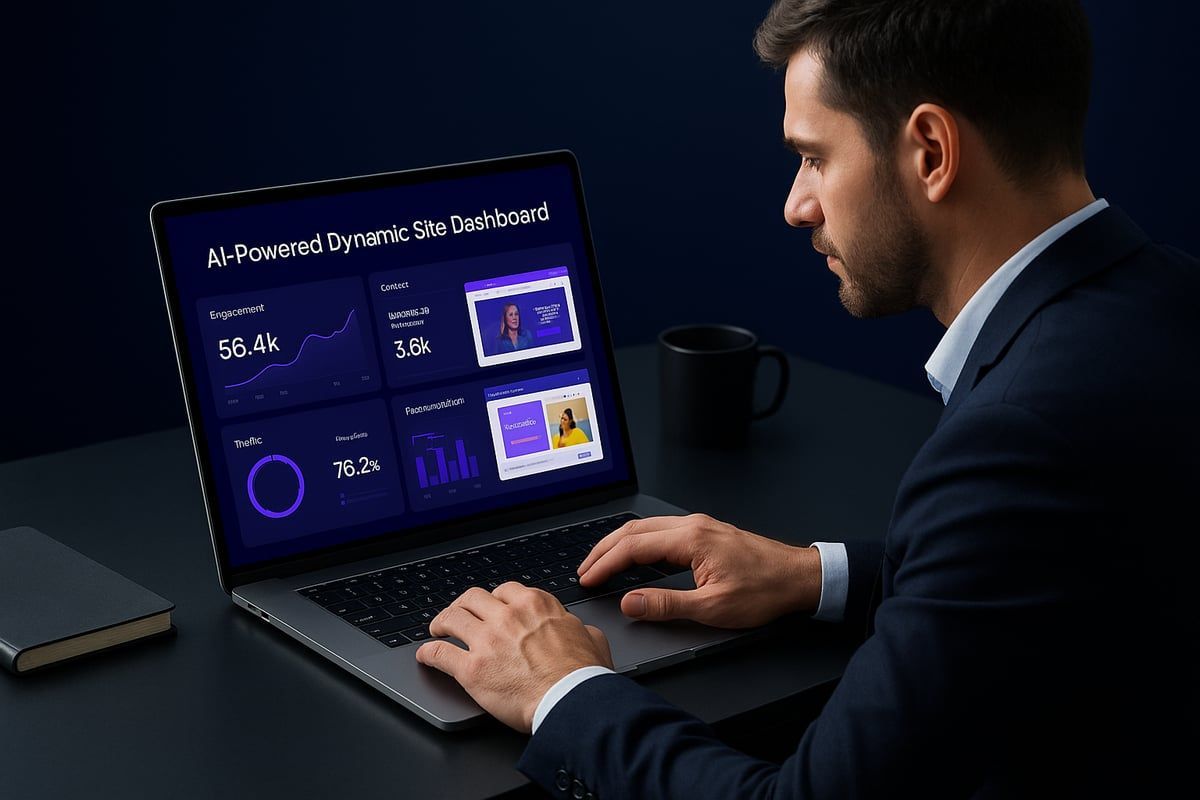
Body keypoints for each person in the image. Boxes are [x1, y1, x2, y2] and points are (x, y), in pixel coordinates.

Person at [415, 1, 1198, 796]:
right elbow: (1042, 571)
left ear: (930, 150)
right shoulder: (1167, 296)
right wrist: (813, 575)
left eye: (815, 157)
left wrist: (560, 692)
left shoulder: (1017, 438)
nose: (797, 204)